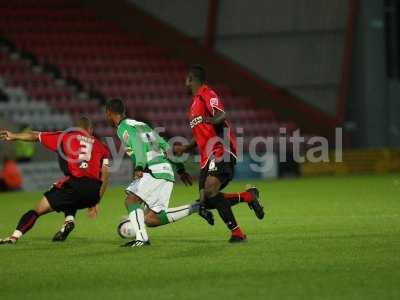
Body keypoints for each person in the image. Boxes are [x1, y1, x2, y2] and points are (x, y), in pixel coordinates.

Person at [173, 65, 265, 243]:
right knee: (204, 201)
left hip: (220, 149)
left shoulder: (207, 94)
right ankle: (248, 196)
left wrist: (209, 119)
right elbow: (202, 133)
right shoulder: (193, 105)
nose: (184, 83)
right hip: (206, 157)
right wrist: (185, 148)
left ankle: (238, 233)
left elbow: (221, 115)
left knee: (210, 190)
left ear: (191, 79)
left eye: (186, 79)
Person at [105, 98, 212, 248]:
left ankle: (141, 239)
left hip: (152, 170)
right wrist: (180, 168)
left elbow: (138, 145)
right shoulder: (142, 125)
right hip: (166, 171)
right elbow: (165, 146)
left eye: (106, 115)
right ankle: (195, 207)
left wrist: (140, 166)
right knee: (151, 219)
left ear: (109, 113)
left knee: (131, 200)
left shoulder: (123, 127)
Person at [0, 117, 110, 245]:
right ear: (90, 130)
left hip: (74, 185)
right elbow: (105, 177)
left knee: (37, 210)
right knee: (69, 195)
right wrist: (96, 201)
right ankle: (69, 220)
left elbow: (35, 135)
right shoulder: (102, 147)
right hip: (92, 191)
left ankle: (13, 237)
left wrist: (14, 135)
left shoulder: (65, 137)